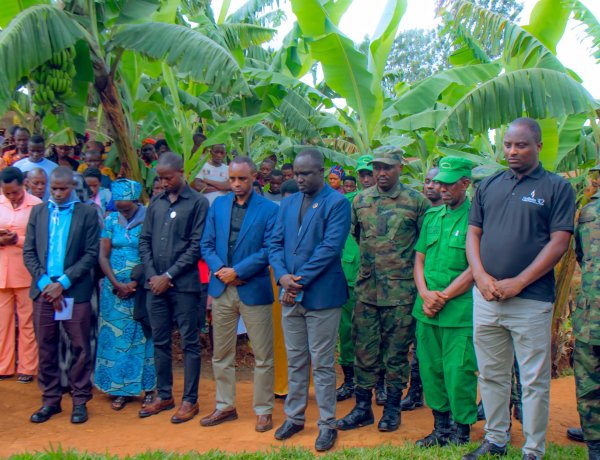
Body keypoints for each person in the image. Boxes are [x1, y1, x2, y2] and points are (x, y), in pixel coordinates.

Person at [464, 118, 576, 460]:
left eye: (521, 145)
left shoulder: (556, 187)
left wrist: (519, 282)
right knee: (491, 374)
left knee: (533, 380)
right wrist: (480, 276)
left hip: (530, 300)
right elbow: (474, 233)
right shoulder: (490, 184)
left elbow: (559, 242)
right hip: (487, 298)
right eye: (508, 145)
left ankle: (533, 450)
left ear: (538, 146)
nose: (512, 151)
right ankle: (495, 440)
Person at [337, 145, 430, 433]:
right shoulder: (361, 200)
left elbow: (423, 246)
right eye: (377, 167)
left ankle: (392, 409)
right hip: (367, 291)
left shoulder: (417, 202)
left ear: (400, 168)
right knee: (364, 351)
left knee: (396, 355)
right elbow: (358, 236)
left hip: (401, 295)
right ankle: (363, 408)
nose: (381, 173)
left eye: (387, 167)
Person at [269, 149, 351, 452]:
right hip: (289, 294)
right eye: (296, 174)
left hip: (321, 296)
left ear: (320, 172)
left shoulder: (337, 203)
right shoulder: (288, 203)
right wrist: (281, 276)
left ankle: (327, 423)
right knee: (296, 360)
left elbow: (330, 249)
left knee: (323, 363)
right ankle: (294, 417)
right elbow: (275, 243)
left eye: (305, 173)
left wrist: (297, 281)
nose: (299, 179)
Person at [201, 156, 278, 432]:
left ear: (254, 177)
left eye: (242, 179)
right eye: (232, 178)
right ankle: (225, 406)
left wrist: (238, 271)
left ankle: (264, 410)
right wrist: (221, 270)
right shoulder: (219, 205)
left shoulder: (269, 209)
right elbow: (206, 244)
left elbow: (270, 249)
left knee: (263, 355)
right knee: (221, 353)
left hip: (253, 288)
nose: (235, 184)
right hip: (222, 289)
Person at [23, 167, 100, 424]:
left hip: (73, 290)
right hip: (44, 291)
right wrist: (47, 283)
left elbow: (91, 254)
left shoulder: (87, 213)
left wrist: (63, 282)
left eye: (62, 189)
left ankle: (80, 400)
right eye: (53, 188)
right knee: (46, 346)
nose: (57, 193)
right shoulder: (38, 212)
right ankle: (50, 400)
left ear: (72, 188)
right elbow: (29, 252)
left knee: (79, 346)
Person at [138, 152, 209, 423]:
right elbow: (144, 241)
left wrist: (168, 275)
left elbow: (196, 245)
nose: (164, 183)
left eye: (168, 178)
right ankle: (164, 395)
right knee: (160, 341)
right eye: (160, 178)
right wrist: (153, 275)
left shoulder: (198, 203)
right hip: (155, 286)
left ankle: (190, 400)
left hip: (185, 286)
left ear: (182, 173)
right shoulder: (155, 203)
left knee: (190, 342)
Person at [412, 157, 477, 448]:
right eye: (440, 183)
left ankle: (461, 430)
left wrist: (444, 297)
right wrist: (425, 294)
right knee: (431, 369)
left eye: (449, 184)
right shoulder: (432, 217)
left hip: (458, 312)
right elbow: (419, 259)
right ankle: (440, 428)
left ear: (465, 183)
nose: (442, 189)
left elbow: (475, 267)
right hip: (427, 310)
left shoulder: (476, 219)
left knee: (458, 371)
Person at [95, 179, 156, 411]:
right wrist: (116, 284)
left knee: (143, 337)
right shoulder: (111, 220)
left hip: (140, 288)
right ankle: (120, 390)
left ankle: (149, 389)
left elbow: (152, 253)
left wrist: (134, 283)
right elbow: (103, 255)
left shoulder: (148, 219)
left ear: (136, 201)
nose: (123, 211)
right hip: (114, 292)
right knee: (117, 340)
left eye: (127, 207)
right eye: (119, 207)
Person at [402, 165, 445, 412]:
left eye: (435, 181)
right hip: (419, 289)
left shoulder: (460, 213)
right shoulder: (421, 211)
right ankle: (415, 392)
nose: (430, 186)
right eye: (427, 180)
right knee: (419, 347)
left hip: (447, 293)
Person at [0, 168, 41, 382]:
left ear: (24, 184)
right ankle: (3, 366)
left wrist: (17, 240)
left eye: (15, 192)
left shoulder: (37, 205)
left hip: (26, 271)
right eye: (7, 193)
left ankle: (28, 367)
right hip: (1, 271)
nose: (12, 197)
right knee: (2, 323)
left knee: (27, 322)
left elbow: (40, 240)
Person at [572, 163, 600, 459]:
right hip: (591, 314)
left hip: (591, 312)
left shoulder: (590, 211)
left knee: (590, 378)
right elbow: (581, 255)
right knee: (588, 378)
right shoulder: (589, 212)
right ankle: (594, 439)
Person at [14, 135, 57, 200]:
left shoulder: (54, 167)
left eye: (39, 151)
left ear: (44, 150)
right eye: (32, 151)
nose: (35, 154)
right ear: (28, 149)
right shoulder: (18, 166)